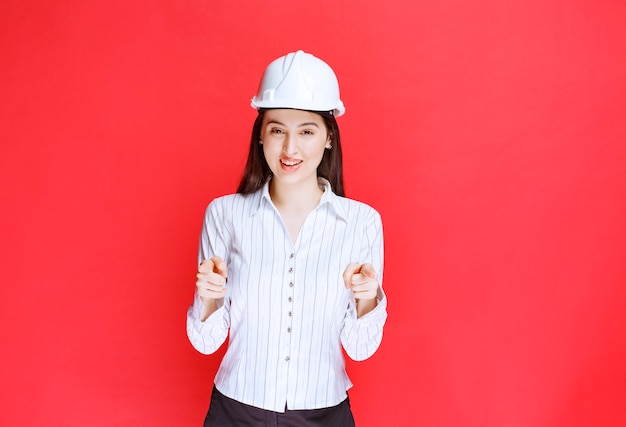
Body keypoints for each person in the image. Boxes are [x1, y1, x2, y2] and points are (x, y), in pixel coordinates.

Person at [186, 50, 388, 427]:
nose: (290, 149)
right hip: (236, 411)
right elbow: (206, 342)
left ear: (329, 137)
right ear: (260, 135)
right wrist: (209, 295)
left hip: (325, 413)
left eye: (306, 132)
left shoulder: (362, 222)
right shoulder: (225, 214)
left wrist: (366, 299)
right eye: (277, 130)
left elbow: (361, 349)